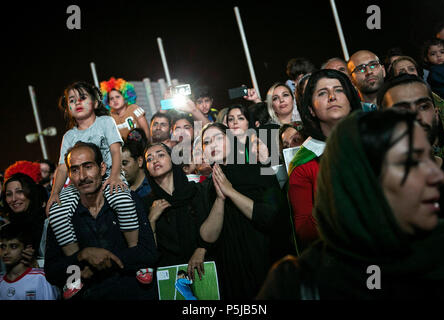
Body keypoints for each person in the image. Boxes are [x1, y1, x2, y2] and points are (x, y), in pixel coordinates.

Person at [257, 109, 444, 300]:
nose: (438, 176)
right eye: (412, 162)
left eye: (429, 158)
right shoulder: (299, 284)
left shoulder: (443, 249)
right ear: (363, 179)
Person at [45, 81, 150, 298]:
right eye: (72, 100)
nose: (78, 103)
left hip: (110, 175)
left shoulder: (105, 121)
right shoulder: (69, 136)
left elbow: (115, 150)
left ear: (94, 101)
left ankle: (137, 260)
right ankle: (75, 275)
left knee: (122, 200)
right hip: (78, 184)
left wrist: (113, 175)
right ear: (67, 108)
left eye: (82, 97)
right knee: (57, 211)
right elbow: (63, 167)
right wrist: (54, 193)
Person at [44, 142, 159, 300]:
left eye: (88, 166)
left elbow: (149, 253)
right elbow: (52, 271)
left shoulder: (127, 200)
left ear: (103, 168)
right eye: (75, 169)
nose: (83, 176)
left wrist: (102, 263)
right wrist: (81, 256)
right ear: (69, 176)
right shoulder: (62, 214)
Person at [197, 122, 290, 299]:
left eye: (218, 138)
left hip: (264, 260)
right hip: (231, 270)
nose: (212, 145)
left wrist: (230, 191)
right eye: (206, 142)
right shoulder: (206, 188)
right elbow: (207, 237)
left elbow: (272, 218)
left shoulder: (259, 170)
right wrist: (220, 198)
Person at [288, 69, 361, 249]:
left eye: (339, 90)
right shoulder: (304, 164)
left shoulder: (377, 143)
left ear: (351, 100)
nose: (332, 97)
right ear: (311, 109)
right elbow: (304, 232)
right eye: (322, 92)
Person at [377, 74, 444, 219]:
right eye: (402, 110)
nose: (416, 116)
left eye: (423, 107)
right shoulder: (376, 188)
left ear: (436, 114)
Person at [143, 143, 208, 281]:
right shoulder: (147, 204)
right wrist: (151, 220)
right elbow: (148, 253)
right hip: (169, 274)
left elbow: (211, 227)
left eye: (161, 155)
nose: (155, 160)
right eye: (149, 159)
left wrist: (202, 248)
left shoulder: (196, 191)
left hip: (204, 267)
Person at [0, 222, 60, 300]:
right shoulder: (1, 281)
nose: (6, 252)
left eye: (13, 246)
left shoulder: (40, 278)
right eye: (3, 247)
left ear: (27, 249)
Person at [2, 173, 48, 266]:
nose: (14, 199)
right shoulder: (5, 230)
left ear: (30, 193)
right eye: (9, 194)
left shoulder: (47, 225)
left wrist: (36, 263)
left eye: (19, 192)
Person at [421, 38, 444, 103]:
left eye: (442, 52)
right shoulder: (433, 72)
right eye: (433, 54)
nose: (438, 55)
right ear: (426, 58)